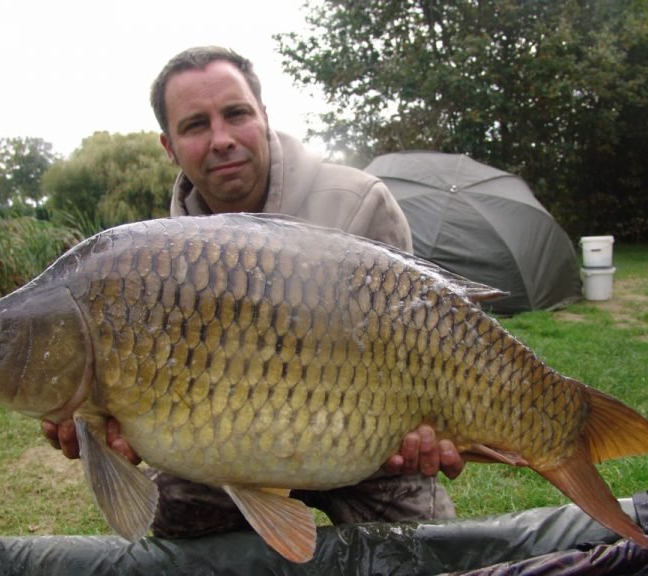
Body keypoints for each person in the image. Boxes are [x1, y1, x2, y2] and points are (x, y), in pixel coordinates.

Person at [43, 45, 464, 538]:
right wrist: (127, 428)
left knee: (436, 549)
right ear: (169, 146)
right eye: (195, 125)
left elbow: (425, 341)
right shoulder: (150, 264)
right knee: (184, 547)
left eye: (236, 114)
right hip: (222, 457)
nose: (221, 139)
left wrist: (427, 432)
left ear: (263, 116)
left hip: (363, 444)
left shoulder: (359, 204)